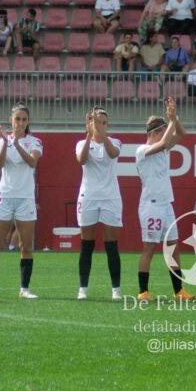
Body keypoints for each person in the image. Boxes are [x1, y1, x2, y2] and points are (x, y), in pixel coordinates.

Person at [0, 105, 43, 300]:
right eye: (17, 119)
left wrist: (16, 144)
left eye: (24, 119)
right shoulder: (1, 142)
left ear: (28, 122)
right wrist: (7, 142)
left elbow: (32, 162)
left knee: (26, 246)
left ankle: (24, 289)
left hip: (25, 198)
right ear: (11, 120)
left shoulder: (35, 142)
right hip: (5, 197)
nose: (20, 123)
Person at [136, 99, 196, 302]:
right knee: (149, 248)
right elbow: (163, 142)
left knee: (173, 248)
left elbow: (181, 133)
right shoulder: (142, 150)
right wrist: (170, 121)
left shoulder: (162, 149)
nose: (167, 135)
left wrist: (174, 118)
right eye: (163, 131)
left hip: (166, 205)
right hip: (151, 205)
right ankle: (143, 291)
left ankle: (179, 290)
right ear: (155, 132)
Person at [76, 108, 123, 300]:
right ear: (89, 123)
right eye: (97, 122)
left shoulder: (114, 142)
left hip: (110, 197)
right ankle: (83, 289)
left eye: (104, 123)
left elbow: (112, 154)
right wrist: (89, 135)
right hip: (88, 197)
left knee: (111, 245)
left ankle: (116, 290)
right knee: (86, 244)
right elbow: (82, 159)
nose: (101, 126)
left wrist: (101, 134)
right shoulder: (82, 143)